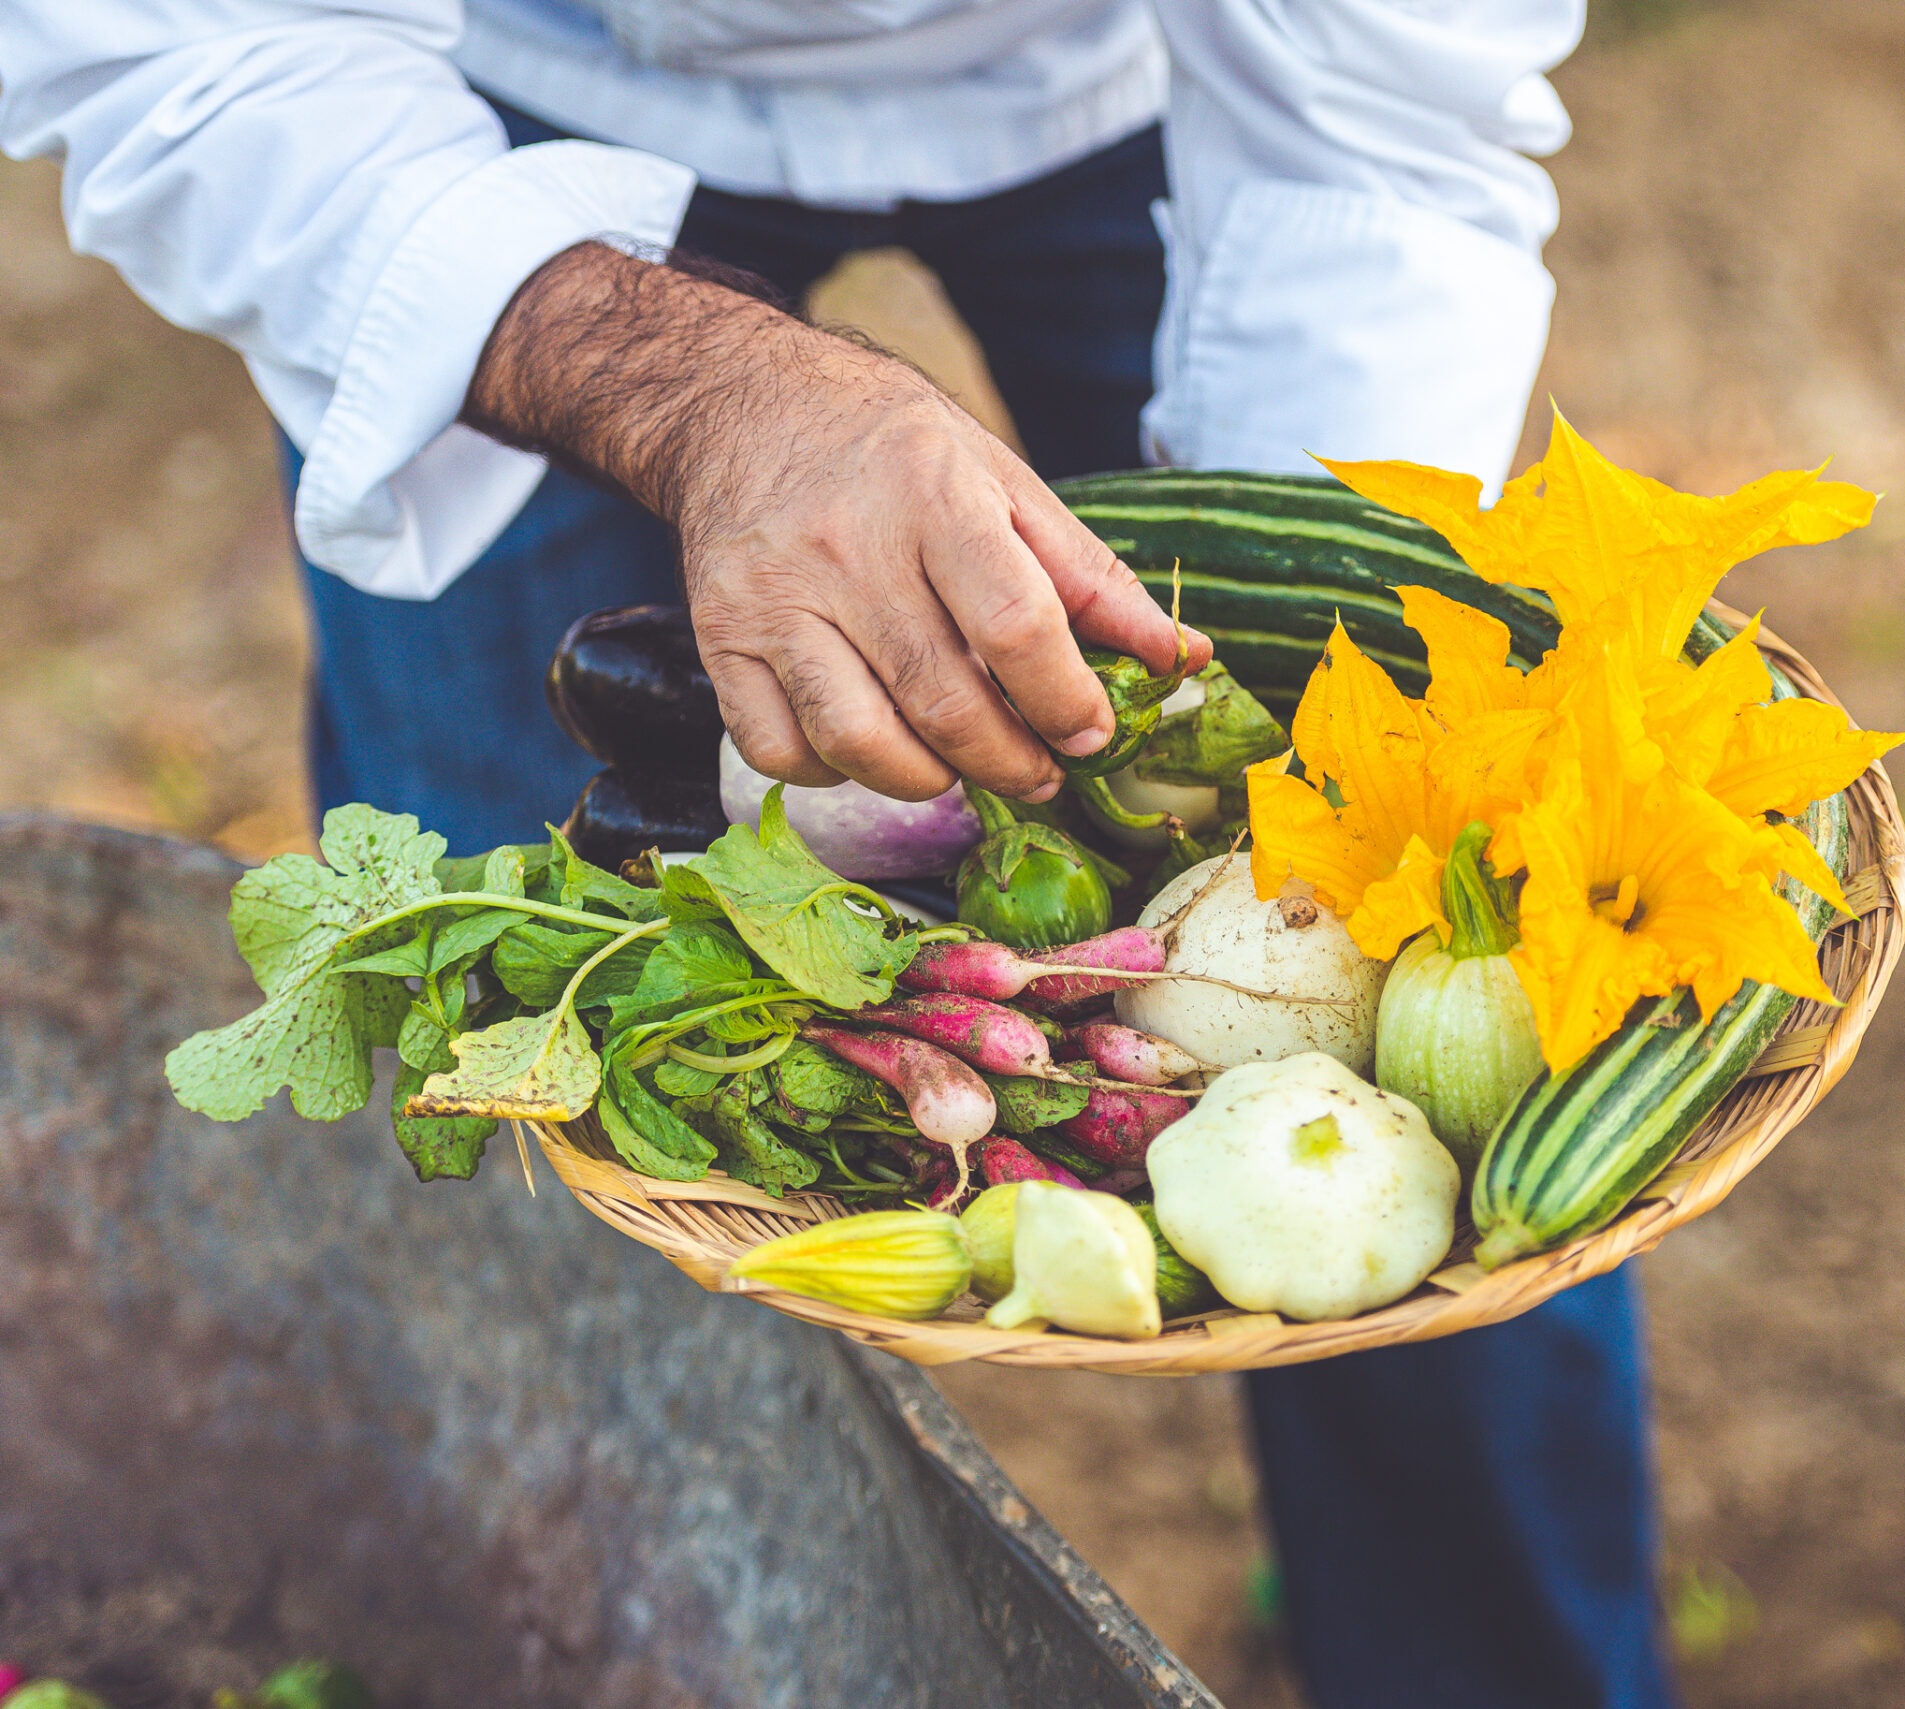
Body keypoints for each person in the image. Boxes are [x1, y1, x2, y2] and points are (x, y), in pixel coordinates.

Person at [0, 3, 1677, 1703]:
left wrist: (1310, 746)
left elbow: (1379, 132)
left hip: (1156, 63)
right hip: (493, 81)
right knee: (514, 1043)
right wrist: (701, 394)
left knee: (1449, 1038)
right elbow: (172, 44)